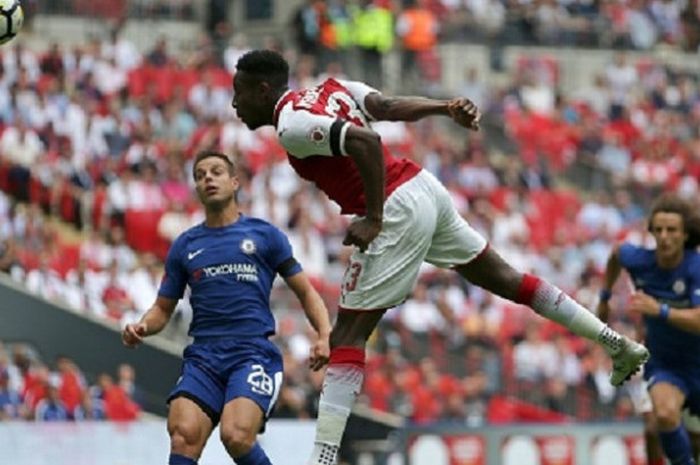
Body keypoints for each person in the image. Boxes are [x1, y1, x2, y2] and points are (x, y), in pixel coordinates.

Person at [231, 49, 649, 465]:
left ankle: (320, 461)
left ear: (263, 89)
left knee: (345, 339)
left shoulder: (291, 124)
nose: (235, 104)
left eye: (240, 93)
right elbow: (387, 107)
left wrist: (374, 216)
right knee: (506, 279)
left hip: (395, 208)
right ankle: (616, 343)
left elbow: (366, 140)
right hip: (422, 187)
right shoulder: (331, 89)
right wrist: (444, 108)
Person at [122, 151, 332, 465]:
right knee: (182, 434)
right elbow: (163, 309)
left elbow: (306, 292)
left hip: (251, 353)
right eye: (200, 174)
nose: (208, 178)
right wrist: (142, 326)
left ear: (234, 182)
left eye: (216, 171)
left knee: (236, 435)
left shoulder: (265, 236)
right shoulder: (185, 245)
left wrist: (325, 334)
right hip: (203, 356)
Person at [598, 193, 700, 465]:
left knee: (693, 440)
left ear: (685, 234)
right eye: (659, 230)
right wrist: (604, 298)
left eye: (672, 230)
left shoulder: (696, 268)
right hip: (666, 364)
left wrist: (661, 311)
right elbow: (617, 254)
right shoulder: (639, 259)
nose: (665, 236)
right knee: (662, 417)